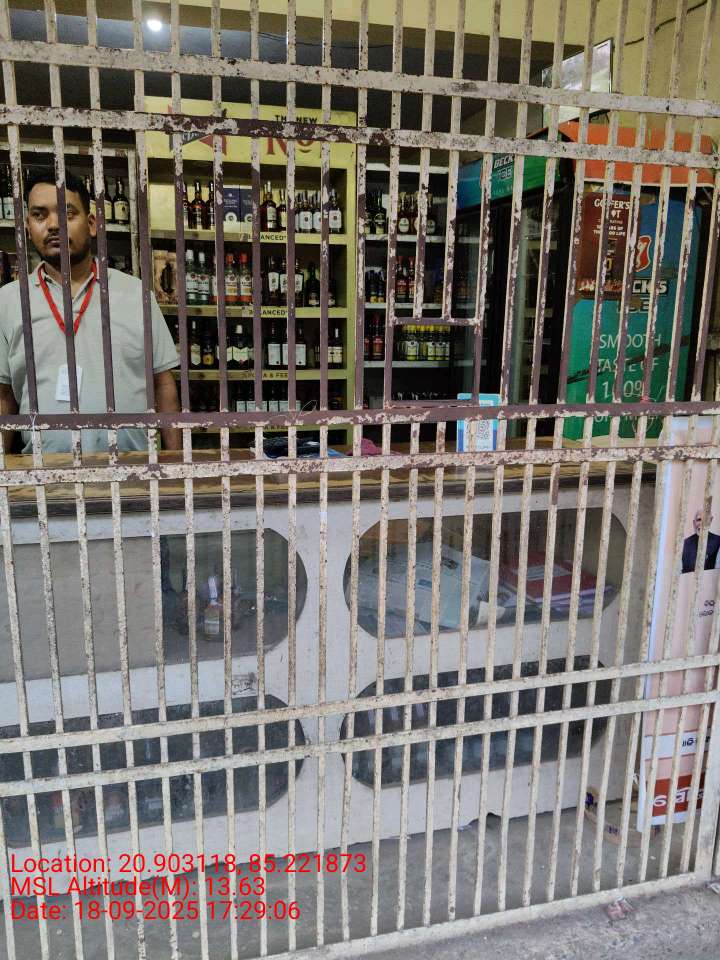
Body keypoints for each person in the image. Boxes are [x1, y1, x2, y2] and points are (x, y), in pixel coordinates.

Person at [0, 167, 180, 454]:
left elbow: (163, 385)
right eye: (39, 215)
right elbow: (5, 395)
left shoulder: (135, 295)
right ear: (27, 228)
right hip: (44, 472)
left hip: (133, 468)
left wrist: (175, 462)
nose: (53, 225)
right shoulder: (8, 301)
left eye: (67, 213)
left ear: (92, 223)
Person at [681, 508, 720, 574]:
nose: (701, 524)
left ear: (710, 521)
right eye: (699, 520)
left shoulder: (718, 541)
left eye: (705, 520)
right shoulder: (685, 543)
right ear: (694, 523)